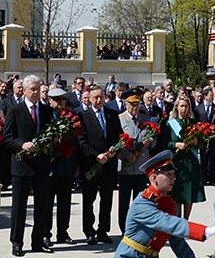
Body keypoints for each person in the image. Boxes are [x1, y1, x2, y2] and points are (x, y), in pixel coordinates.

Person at [3, 75, 52, 256]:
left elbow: (50, 135)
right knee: (19, 206)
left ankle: (38, 241)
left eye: (38, 89)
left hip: (41, 165)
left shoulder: (46, 111)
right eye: (32, 89)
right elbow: (7, 138)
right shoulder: (15, 110)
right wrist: (22, 145)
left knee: (42, 204)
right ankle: (17, 242)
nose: (36, 92)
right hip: (21, 165)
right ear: (24, 90)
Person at [79, 85, 121, 244]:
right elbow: (82, 142)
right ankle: (89, 231)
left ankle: (103, 230)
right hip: (91, 164)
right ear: (89, 99)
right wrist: (96, 156)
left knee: (107, 199)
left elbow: (118, 136)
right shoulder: (83, 116)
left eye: (101, 97)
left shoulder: (112, 115)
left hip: (109, 164)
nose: (98, 100)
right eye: (95, 97)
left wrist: (114, 148)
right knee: (89, 199)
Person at [117, 88, 160, 232]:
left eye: (137, 104)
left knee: (140, 200)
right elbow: (116, 141)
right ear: (126, 104)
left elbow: (153, 136)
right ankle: (124, 228)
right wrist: (124, 154)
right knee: (124, 201)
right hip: (126, 166)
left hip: (142, 165)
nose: (135, 107)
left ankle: (139, 227)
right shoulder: (121, 119)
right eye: (131, 104)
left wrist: (150, 141)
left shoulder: (144, 118)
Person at [45, 86, 80, 245]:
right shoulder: (45, 115)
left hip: (67, 164)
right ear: (49, 100)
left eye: (63, 99)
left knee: (65, 201)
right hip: (51, 166)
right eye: (57, 99)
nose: (61, 103)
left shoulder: (71, 117)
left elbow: (77, 140)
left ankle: (63, 232)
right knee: (48, 202)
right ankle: (46, 232)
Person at [165, 95, 206, 218]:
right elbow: (165, 143)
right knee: (177, 194)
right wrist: (175, 144)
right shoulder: (170, 124)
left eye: (186, 106)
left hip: (191, 162)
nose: (184, 109)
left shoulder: (194, 123)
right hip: (177, 163)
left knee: (189, 195)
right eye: (181, 106)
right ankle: (177, 223)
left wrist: (196, 142)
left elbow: (202, 142)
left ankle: (186, 221)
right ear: (177, 107)